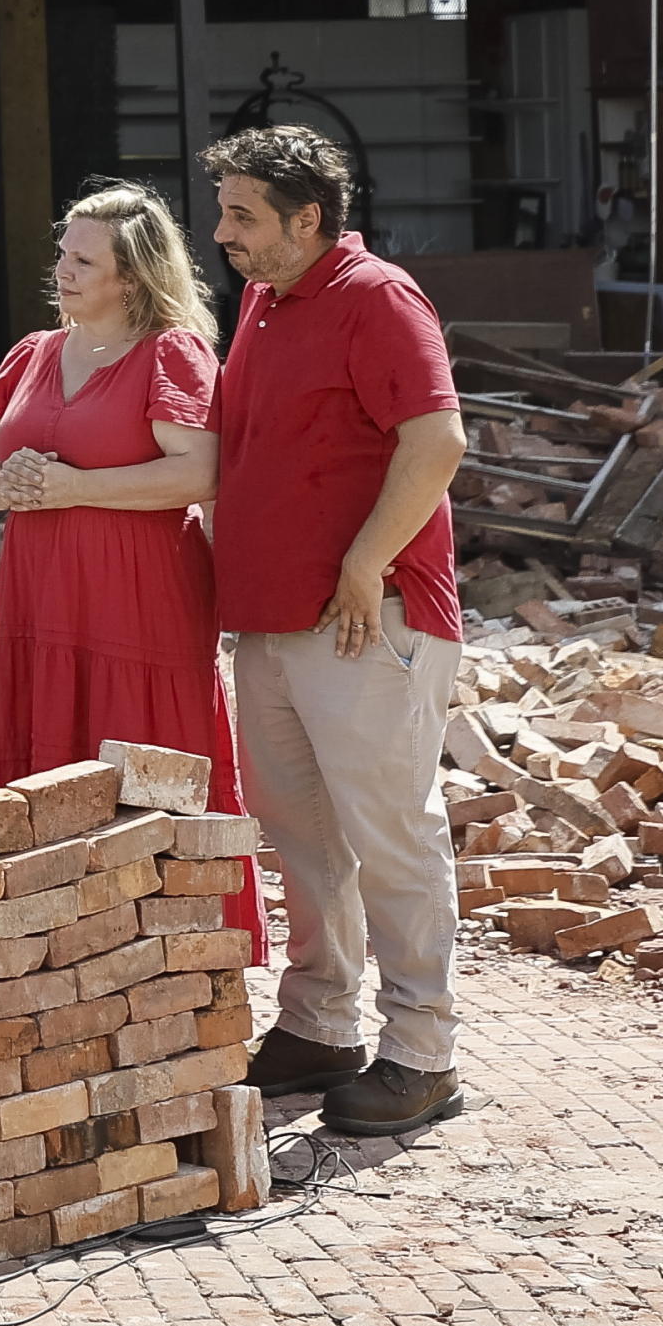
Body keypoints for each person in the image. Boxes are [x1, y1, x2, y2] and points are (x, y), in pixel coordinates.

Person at [201, 122, 471, 1140]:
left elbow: (436, 440)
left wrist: (364, 565)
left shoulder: (376, 297)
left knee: (388, 833)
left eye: (242, 214)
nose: (221, 232)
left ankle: (422, 1053)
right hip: (273, 623)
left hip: (367, 620)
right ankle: (319, 1023)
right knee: (299, 837)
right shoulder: (263, 303)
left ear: (306, 218)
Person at [0, 182, 255, 953]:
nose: (61, 268)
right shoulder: (33, 353)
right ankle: (53, 951)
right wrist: (11, 486)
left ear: (130, 276)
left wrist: (73, 487)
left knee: (143, 759)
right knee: (48, 755)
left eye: (82, 258)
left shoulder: (171, 351)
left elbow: (198, 474)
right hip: (41, 595)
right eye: (62, 253)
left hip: (138, 599)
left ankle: (180, 951)